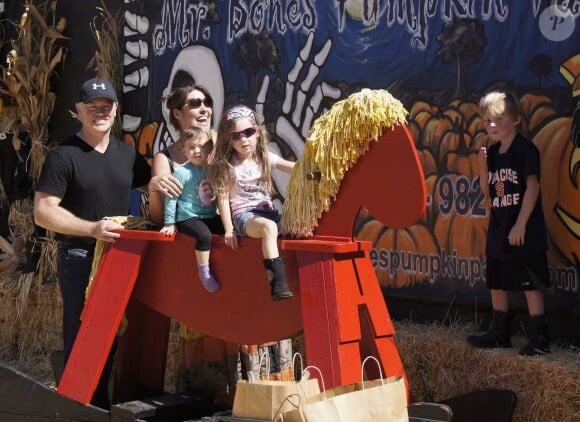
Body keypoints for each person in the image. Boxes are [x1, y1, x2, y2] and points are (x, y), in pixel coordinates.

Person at [34, 77, 153, 408]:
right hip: (79, 255)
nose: (99, 112)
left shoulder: (127, 155)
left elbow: (153, 190)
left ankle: (100, 406)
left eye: (106, 106)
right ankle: (82, 409)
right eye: (92, 107)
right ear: (78, 111)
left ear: (115, 110)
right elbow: (43, 212)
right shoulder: (64, 155)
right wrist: (91, 229)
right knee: (83, 336)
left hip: (119, 257)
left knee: (112, 337)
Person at [467, 90, 551, 356]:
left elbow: (533, 187)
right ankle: (500, 332)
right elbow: (488, 192)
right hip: (499, 227)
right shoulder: (491, 154)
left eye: (498, 119)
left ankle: (540, 337)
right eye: (487, 121)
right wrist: (482, 167)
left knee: (529, 282)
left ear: (516, 120)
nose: (492, 125)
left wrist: (521, 224)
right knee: (497, 281)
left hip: (522, 228)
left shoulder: (526, 149)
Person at [209, 105, 295, 301]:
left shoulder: (265, 158)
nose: (243, 139)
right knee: (269, 228)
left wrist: (316, 168)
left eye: (248, 132)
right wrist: (229, 228)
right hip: (244, 217)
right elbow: (223, 199)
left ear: (258, 132)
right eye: (236, 136)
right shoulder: (228, 165)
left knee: (298, 226)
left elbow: (293, 167)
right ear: (229, 140)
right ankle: (277, 281)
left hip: (269, 212)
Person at [160, 126, 223, 292]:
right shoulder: (182, 172)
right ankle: (204, 272)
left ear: (209, 148)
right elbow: (171, 197)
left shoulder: (212, 170)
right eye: (191, 148)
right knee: (204, 236)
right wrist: (169, 222)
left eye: (202, 146)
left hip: (209, 216)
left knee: (228, 229)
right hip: (188, 218)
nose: (197, 151)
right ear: (184, 152)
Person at [148, 84, 215, 224]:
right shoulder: (164, 158)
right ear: (177, 113)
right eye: (195, 104)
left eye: (207, 103)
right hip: (186, 240)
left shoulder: (225, 146)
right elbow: (160, 219)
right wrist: (153, 190)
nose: (204, 109)